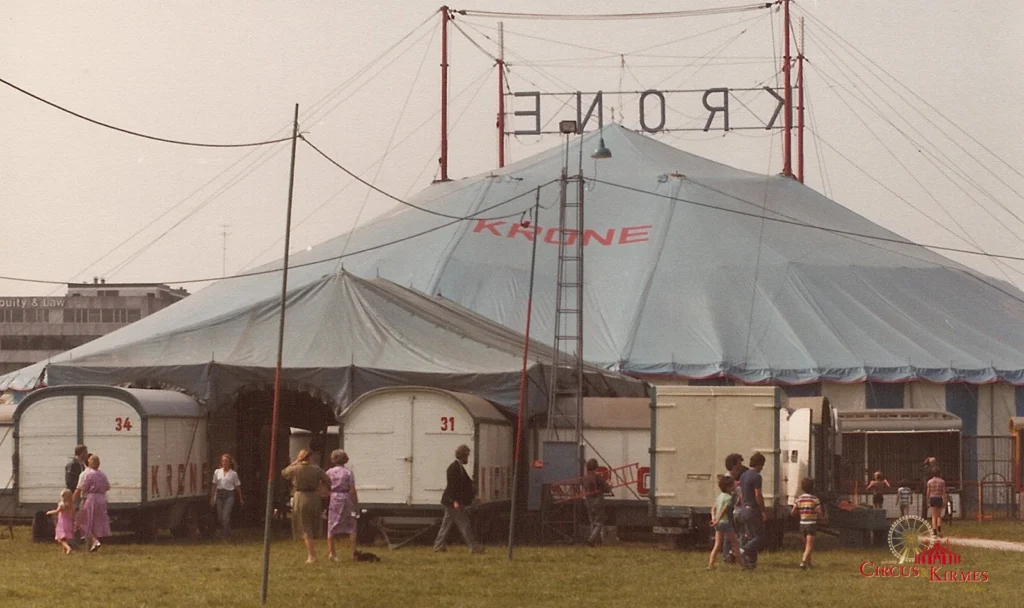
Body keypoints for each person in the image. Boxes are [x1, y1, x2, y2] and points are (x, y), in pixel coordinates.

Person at [281, 448, 331, 564]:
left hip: (300, 496)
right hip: (314, 496)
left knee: (305, 526)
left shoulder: (295, 469)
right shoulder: (317, 469)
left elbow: (284, 473)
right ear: (310, 457)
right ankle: (314, 551)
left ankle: (311, 555)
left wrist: (294, 462)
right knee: (313, 524)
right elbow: (328, 480)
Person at [433, 444, 483, 554]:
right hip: (453, 502)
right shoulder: (453, 468)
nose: (467, 458)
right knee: (465, 524)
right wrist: (454, 501)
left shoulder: (458, 467)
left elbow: (466, 484)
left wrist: (474, 496)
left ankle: (438, 546)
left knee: (446, 525)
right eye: (466, 456)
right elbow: (453, 487)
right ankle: (474, 547)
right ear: (463, 456)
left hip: (450, 502)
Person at [325, 450, 359, 562]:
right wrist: (356, 504)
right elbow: (352, 490)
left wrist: (326, 493)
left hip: (334, 498)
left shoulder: (329, 472)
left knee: (331, 524)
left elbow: (323, 485)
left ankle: (332, 553)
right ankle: (354, 553)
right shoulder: (348, 473)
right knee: (352, 525)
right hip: (347, 498)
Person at [73, 455, 110, 553]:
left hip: (90, 499)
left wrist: (72, 500)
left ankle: (94, 541)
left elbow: (82, 488)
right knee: (96, 523)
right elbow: (107, 487)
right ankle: (91, 547)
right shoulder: (102, 474)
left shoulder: (86, 474)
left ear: (90, 463)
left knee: (83, 522)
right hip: (101, 499)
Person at [737, 452, 767, 569]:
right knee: (760, 537)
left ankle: (751, 563)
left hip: (744, 508)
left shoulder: (743, 475)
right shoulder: (756, 476)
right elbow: (758, 495)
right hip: (752, 509)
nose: (762, 468)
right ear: (759, 464)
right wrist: (763, 510)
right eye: (762, 465)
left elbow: (742, 493)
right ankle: (742, 550)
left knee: (751, 536)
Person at [708, 475, 741, 570]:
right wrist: (718, 520)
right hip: (725, 523)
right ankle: (742, 565)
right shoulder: (728, 498)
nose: (735, 486)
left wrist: (714, 518)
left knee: (717, 544)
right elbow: (724, 510)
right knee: (735, 543)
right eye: (733, 485)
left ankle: (711, 564)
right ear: (728, 487)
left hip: (718, 524)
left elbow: (713, 508)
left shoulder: (720, 497)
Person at [792, 478, 825, 569]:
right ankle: (803, 561)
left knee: (806, 544)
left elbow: (793, 511)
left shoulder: (799, 499)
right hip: (811, 523)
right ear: (812, 487)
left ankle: (809, 563)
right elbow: (819, 512)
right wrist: (821, 519)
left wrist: (800, 513)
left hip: (802, 523)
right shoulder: (815, 499)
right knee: (809, 545)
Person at [210, 454, 244, 540]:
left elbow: (237, 486)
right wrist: (212, 496)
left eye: (226, 461)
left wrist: (240, 498)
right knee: (220, 516)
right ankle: (227, 531)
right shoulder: (217, 472)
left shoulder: (233, 474)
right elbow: (214, 484)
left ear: (229, 463)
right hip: (220, 494)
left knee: (225, 515)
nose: (224, 463)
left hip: (229, 494)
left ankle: (225, 536)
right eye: (223, 461)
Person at [582, 458, 611, 547]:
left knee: (592, 522)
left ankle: (596, 542)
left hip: (588, 501)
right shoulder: (598, 477)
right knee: (599, 522)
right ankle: (591, 540)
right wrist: (610, 485)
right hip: (598, 501)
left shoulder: (585, 478)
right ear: (596, 467)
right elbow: (606, 489)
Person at [723, 453, 746, 561]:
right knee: (737, 533)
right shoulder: (728, 479)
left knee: (732, 533)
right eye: (738, 463)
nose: (740, 465)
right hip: (730, 509)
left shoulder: (734, 478)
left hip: (733, 509)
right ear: (733, 465)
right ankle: (732, 554)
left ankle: (729, 554)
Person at [46, 489, 76, 555]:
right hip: (69, 522)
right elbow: (74, 515)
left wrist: (49, 512)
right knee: (65, 538)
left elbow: (57, 511)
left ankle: (68, 548)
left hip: (62, 523)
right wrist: (74, 522)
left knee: (60, 539)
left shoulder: (62, 504)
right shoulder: (72, 505)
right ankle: (64, 552)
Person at [925, 467, 948, 537]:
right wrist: (945, 500)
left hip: (932, 498)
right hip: (939, 498)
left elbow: (928, 492)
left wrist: (927, 500)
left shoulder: (929, 482)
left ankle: (934, 532)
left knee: (933, 516)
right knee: (939, 515)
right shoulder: (942, 481)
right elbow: (944, 492)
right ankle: (939, 530)